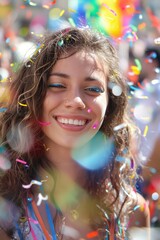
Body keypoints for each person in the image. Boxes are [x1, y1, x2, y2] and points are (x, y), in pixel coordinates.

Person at [0, 27, 150, 240]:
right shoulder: (5, 208)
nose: (76, 101)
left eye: (93, 89)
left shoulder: (131, 210)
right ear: (33, 95)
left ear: (111, 102)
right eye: (58, 85)